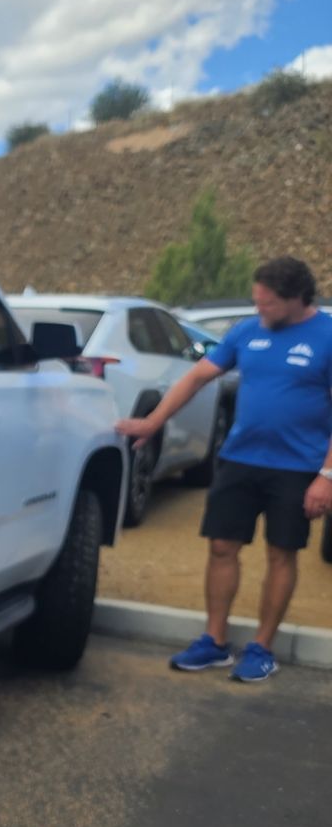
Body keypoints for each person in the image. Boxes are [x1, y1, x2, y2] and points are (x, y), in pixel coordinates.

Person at [117, 257, 332, 682]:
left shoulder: (327, 336)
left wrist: (327, 476)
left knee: (280, 554)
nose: (259, 311)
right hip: (239, 460)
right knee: (220, 547)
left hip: (298, 469)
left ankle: (262, 648)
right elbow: (197, 376)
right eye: (256, 302)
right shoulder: (247, 332)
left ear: (295, 300)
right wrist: (153, 421)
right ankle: (215, 642)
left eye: (267, 304)